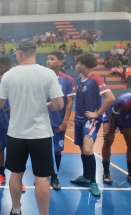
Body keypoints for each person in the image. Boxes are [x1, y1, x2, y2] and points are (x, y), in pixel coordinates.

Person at [0, 39, 63, 215]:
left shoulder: (9, 75)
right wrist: (43, 105)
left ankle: (15, 212)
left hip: (16, 134)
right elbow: (58, 104)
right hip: (40, 134)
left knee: (16, 173)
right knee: (41, 177)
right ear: (35, 52)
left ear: (19, 53)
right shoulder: (47, 73)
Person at [71, 53, 115, 196]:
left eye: (77, 63)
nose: (76, 65)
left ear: (84, 64)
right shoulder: (80, 79)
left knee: (88, 150)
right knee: (83, 150)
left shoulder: (95, 78)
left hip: (91, 120)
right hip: (79, 119)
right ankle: (85, 176)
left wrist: (98, 113)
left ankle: (94, 182)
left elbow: (110, 98)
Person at [0, 57, 27, 191]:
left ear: (9, 67)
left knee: (15, 151)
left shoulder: (17, 81)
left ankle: (17, 178)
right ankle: (1, 174)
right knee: (0, 149)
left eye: (2, 67)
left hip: (14, 123)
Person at [46, 51, 75, 190]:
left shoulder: (67, 80)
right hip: (42, 122)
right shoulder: (42, 77)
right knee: (42, 150)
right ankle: (43, 175)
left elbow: (69, 102)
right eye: (47, 59)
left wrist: (65, 122)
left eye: (52, 59)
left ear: (60, 62)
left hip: (58, 121)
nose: (48, 61)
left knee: (57, 150)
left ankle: (54, 176)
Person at [101, 93, 131, 184]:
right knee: (108, 141)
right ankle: (106, 172)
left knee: (130, 144)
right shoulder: (124, 101)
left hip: (127, 117)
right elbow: (112, 116)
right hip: (112, 115)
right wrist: (111, 131)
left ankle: (130, 173)